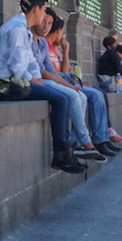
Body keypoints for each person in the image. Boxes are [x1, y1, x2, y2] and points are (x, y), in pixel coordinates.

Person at [0, 0, 86, 173]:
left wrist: (36, 77)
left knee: (62, 97)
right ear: (36, 9)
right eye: (43, 11)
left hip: (21, 80)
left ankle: (65, 152)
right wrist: (33, 79)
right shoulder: (17, 29)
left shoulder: (23, 27)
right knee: (61, 99)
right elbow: (16, 65)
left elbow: (31, 61)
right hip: (9, 83)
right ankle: (60, 154)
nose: (44, 16)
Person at [30, 9, 108, 161]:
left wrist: (70, 83)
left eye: (50, 23)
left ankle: (78, 143)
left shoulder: (43, 44)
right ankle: (86, 142)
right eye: (44, 21)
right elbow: (44, 72)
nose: (46, 26)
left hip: (50, 80)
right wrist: (69, 85)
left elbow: (54, 72)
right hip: (34, 81)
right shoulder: (31, 39)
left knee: (84, 96)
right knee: (73, 95)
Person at [43, 10, 122, 154]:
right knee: (93, 95)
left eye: (48, 23)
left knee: (99, 94)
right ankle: (92, 141)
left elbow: (64, 72)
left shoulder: (54, 48)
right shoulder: (45, 45)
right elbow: (58, 73)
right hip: (56, 83)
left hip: (63, 81)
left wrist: (65, 52)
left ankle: (102, 138)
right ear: (59, 30)